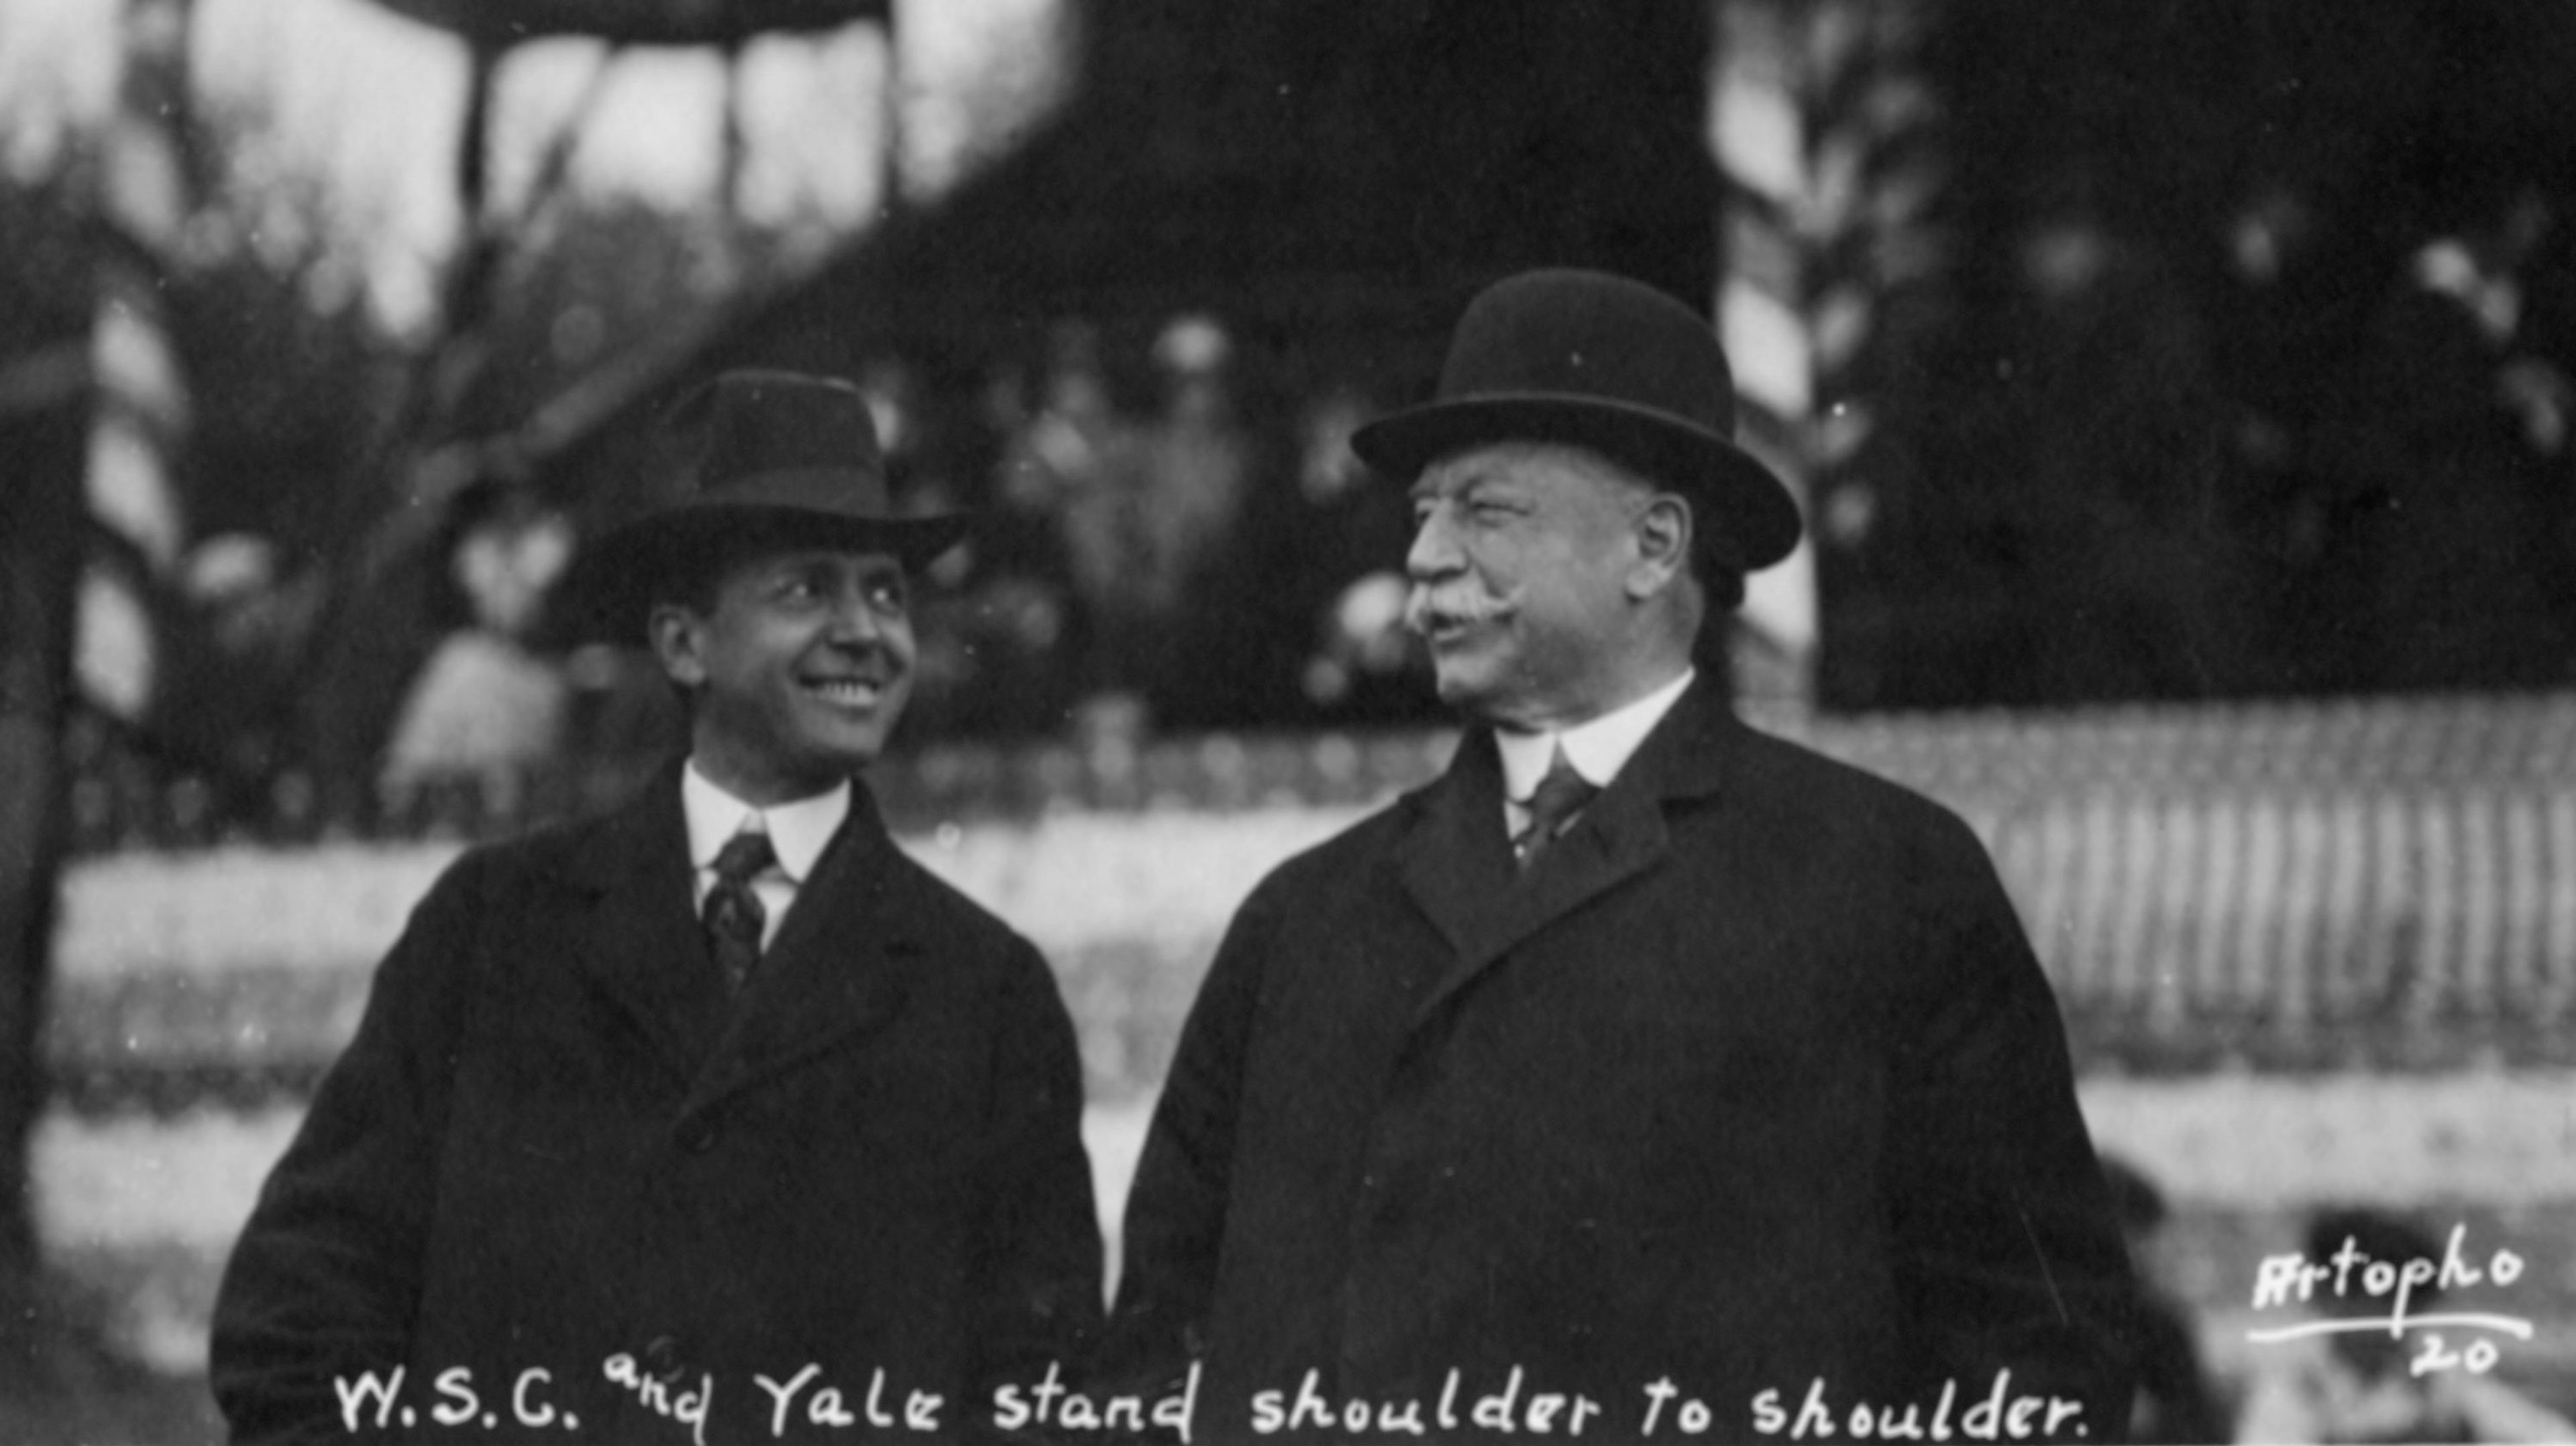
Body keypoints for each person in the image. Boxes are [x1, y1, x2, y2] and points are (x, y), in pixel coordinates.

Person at [1104, 270, 2137, 1442]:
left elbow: (2042, 1356)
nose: (1427, 559)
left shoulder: (1884, 879)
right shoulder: (1304, 921)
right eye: (1423, 512)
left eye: (1487, 513)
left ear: (1654, 547)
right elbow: (1154, 1351)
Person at [211, 371, 1103, 1443]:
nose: (866, 631)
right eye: (806, 590)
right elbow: (298, 1313)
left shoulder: (985, 991)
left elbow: (1041, 1401)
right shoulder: (491, 929)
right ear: (684, 644)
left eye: (887, 592)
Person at [2233, 1207, 2575, 1444]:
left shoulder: (2440, 1385)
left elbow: (2554, 1437)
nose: (2388, 1319)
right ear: (2326, 1298)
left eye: (2405, 1302)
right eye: (2366, 1298)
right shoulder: (2294, 1391)